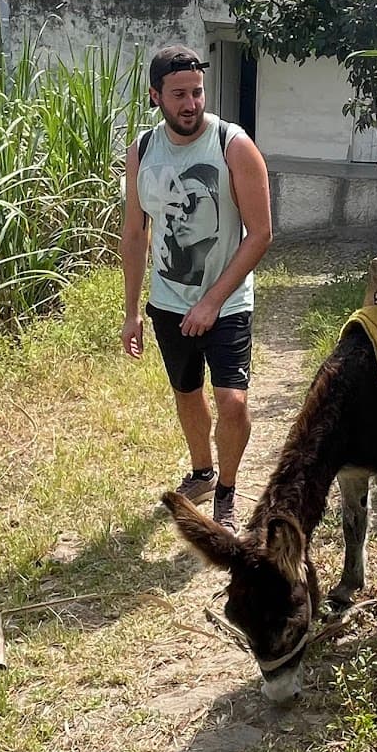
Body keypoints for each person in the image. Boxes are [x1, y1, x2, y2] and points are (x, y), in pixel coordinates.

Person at [123, 43, 273, 527]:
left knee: (232, 401)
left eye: (198, 92)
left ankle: (227, 492)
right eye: (179, 94)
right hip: (167, 303)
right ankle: (202, 471)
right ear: (156, 96)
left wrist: (212, 301)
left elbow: (261, 233)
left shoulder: (233, 145)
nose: (191, 104)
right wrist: (131, 312)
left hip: (225, 303)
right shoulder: (142, 151)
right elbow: (134, 232)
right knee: (187, 394)